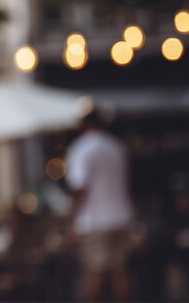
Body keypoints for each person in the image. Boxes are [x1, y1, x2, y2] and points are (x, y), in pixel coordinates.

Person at [66, 102, 133, 301]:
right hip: (120, 215)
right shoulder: (116, 146)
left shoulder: (82, 148)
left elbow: (79, 188)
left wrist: (71, 221)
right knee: (120, 270)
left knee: (95, 272)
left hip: (95, 219)